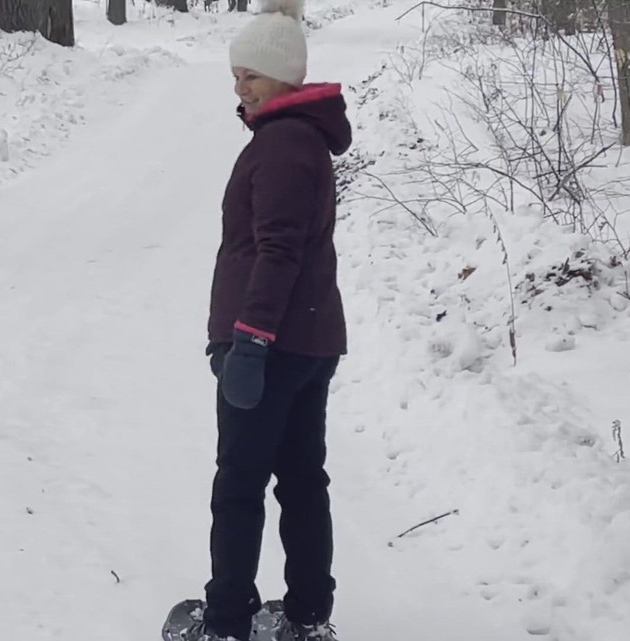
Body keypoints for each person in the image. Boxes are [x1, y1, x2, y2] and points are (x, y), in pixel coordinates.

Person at [199, 0, 353, 639]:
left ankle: (228, 621)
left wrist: (250, 343)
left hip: (273, 346)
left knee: (240, 485)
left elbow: (278, 250)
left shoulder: (285, 145)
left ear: (286, 78)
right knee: (299, 480)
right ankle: (308, 615)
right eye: (236, 76)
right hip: (308, 340)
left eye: (252, 77)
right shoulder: (298, 137)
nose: (241, 88)